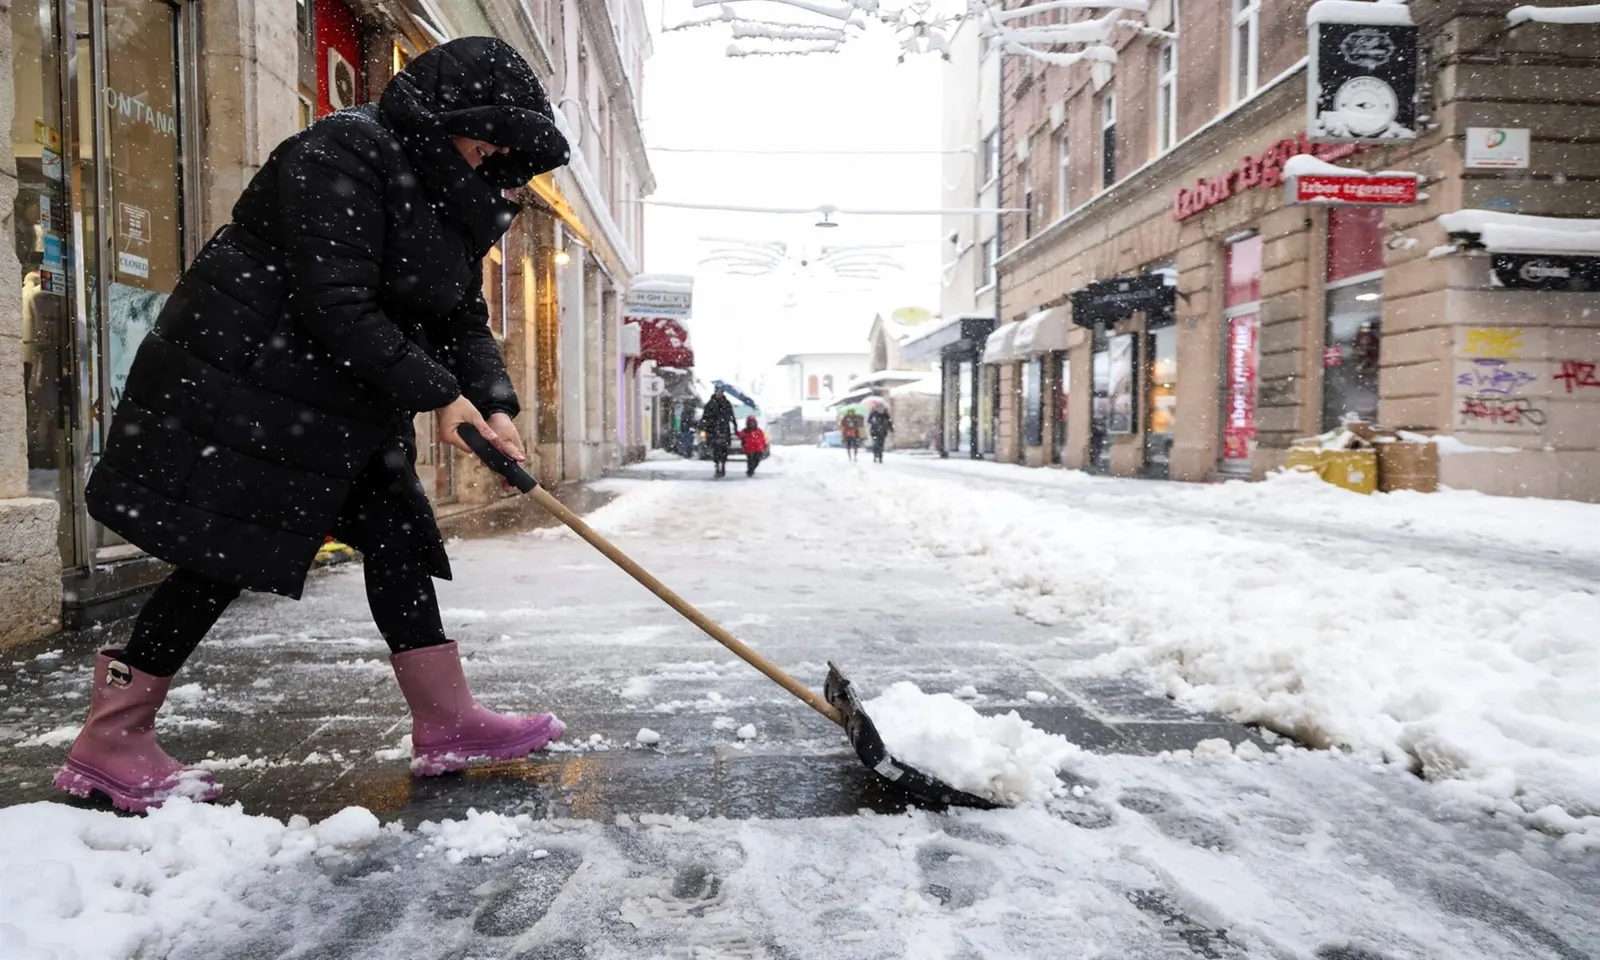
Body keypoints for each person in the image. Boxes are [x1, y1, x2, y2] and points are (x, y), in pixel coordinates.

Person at [54, 38, 572, 813]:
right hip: (254, 393)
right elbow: (336, 302)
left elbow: (461, 319)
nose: (495, 149)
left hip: (347, 405)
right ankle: (112, 739)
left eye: (509, 140)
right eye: (487, 130)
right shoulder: (342, 151)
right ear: (446, 115)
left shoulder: (458, 197)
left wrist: (492, 401)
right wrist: (439, 397)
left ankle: (446, 720)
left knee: (399, 538)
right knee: (223, 555)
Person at [699, 386, 739, 478]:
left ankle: (723, 466)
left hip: (724, 428)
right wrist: (704, 426)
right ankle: (717, 466)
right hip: (713, 430)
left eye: (720, 392)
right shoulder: (709, 404)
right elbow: (704, 417)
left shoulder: (727, 404)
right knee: (716, 450)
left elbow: (732, 416)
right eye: (717, 392)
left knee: (724, 450)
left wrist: (735, 426)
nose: (719, 394)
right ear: (715, 392)